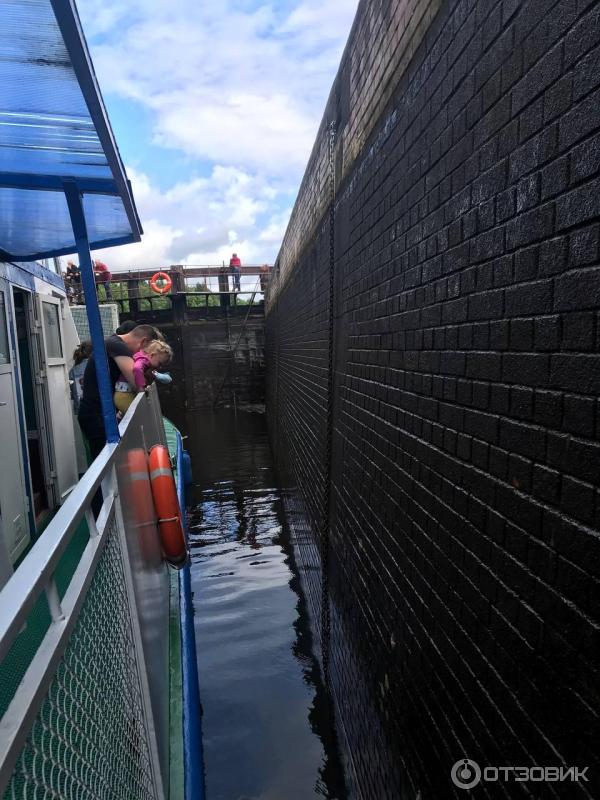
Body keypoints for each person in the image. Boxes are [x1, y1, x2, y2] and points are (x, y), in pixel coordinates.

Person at [78, 324, 161, 460]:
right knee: (106, 464)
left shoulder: (113, 342)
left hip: (97, 413)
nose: (142, 356)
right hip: (97, 416)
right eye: (145, 351)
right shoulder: (118, 347)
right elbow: (135, 381)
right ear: (143, 342)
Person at [113, 339, 173, 414]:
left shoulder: (141, 355)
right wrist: (141, 387)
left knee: (131, 414)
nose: (160, 367)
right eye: (160, 363)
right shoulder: (144, 360)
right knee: (138, 414)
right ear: (152, 355)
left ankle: (120, 416)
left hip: (123, 394)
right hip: (124, 395)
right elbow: (137, 369)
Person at [69, 341, 92, 414]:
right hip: (95, 408)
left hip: (81, 409)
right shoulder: (95, 365)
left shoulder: (72, 370)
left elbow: (73, 393)